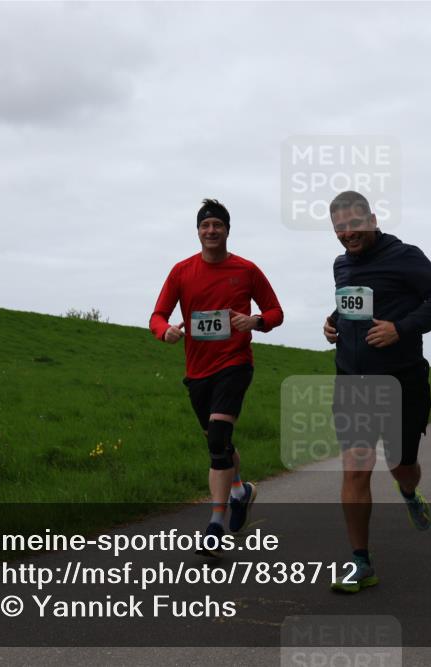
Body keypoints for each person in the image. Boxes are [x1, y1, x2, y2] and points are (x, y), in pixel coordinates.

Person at [322, 191, 431, 593]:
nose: (348, 233)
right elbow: (353, 304)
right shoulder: (341, 265)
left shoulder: (405, 256)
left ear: (372, 220)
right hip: (353, 381)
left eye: (354, 224)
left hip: (401, 381)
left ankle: (410, 492)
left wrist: (401, 328)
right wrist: (332, 322)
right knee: (355, 468)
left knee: (402, 465)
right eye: (340, 228)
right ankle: (360, 562)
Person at [150, 198, 284, 556]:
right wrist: (166, 332)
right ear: (198, 231)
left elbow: (275, 311)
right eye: (205, 225)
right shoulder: (181, 271)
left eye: (217, 225)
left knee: (219, 438)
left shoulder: (246, 269)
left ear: (227, 230)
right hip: (197, 370)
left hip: (235, 364)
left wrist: (255, 321)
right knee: (218, 443)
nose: (211, 231)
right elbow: (158, 315)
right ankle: (241, 491)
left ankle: (214, 526)